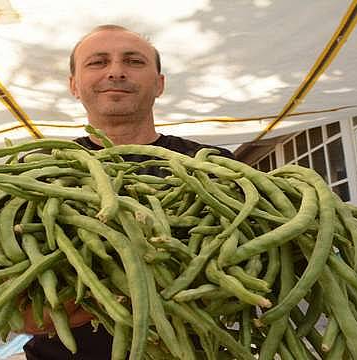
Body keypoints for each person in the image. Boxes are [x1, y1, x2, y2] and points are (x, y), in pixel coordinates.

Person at [21, 24, 234, 360]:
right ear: (74, 85)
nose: (116, 72)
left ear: (160, 84)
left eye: (134, 62)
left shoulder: (213, 165)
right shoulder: (36, 168)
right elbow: (6, 291)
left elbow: (252, 271)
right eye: (97, 62)